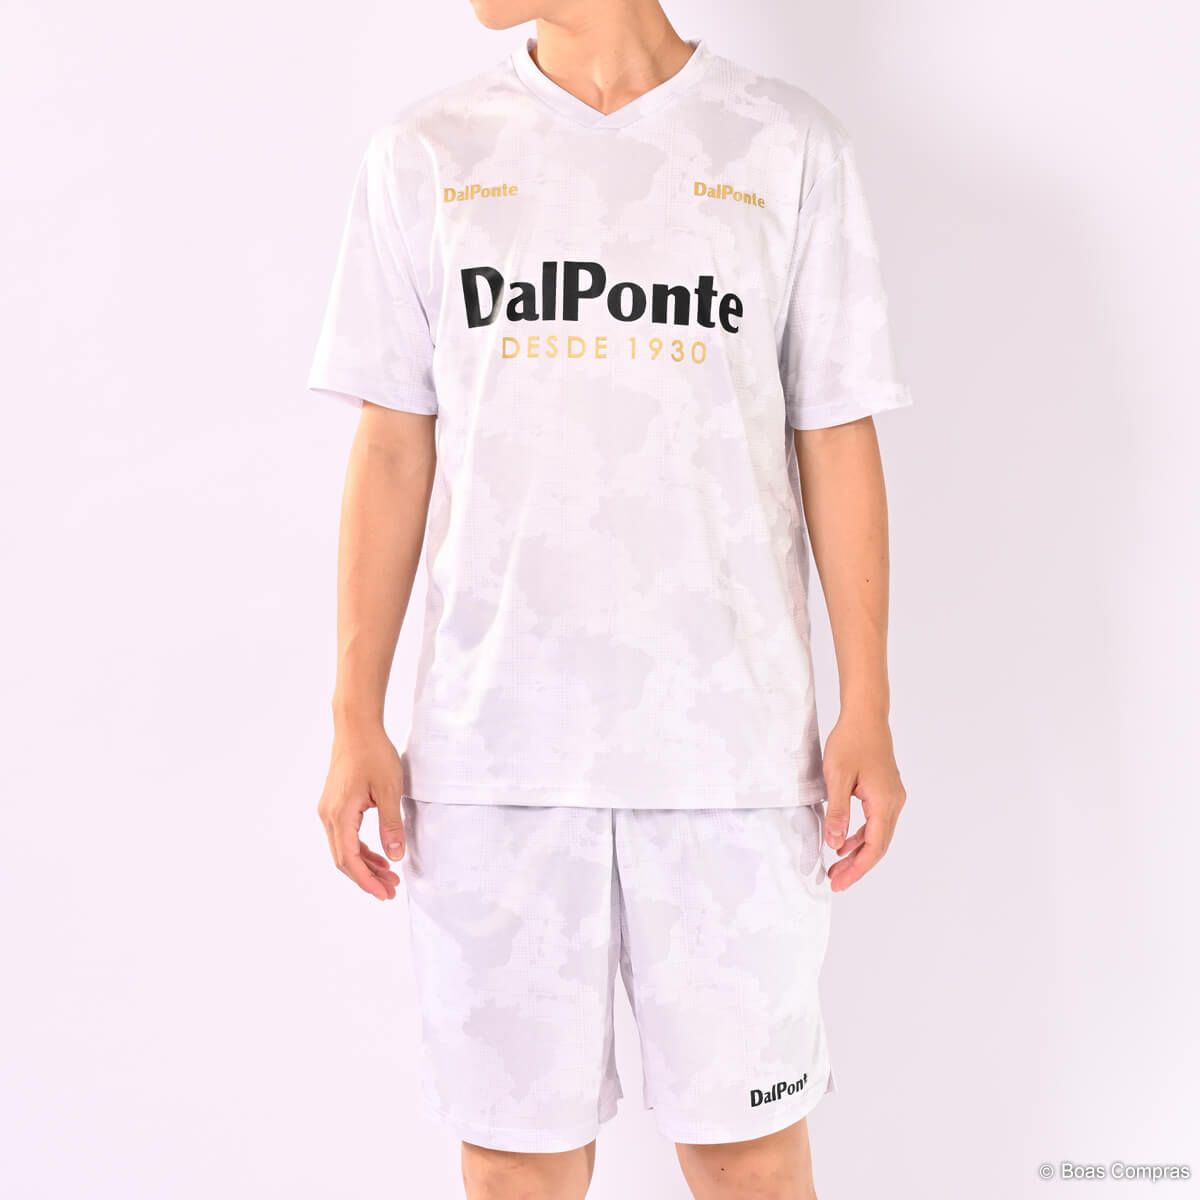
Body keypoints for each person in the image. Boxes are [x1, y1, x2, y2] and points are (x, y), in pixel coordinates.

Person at [307, 1, 910, 1196]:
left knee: (748, 1164)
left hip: (732, 760)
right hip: (495, 759)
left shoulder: (781, 147)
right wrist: (354, 714)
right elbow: (392, 447)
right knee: (516, 1171)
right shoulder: (428, 154)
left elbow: (835, 433)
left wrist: (869, 707)